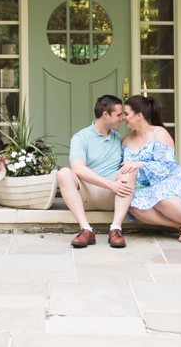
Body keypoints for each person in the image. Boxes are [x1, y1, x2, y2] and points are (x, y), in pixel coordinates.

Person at [121, 95, 181, 245]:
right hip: (145, 187)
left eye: (126, 113)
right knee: (133, 206)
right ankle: (180, 226)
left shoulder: (159, 133)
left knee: (162, 199)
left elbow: (166, 167)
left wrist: (140, 164)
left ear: (139, 115)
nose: (123, 117)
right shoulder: (126, 140)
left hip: (170, 179)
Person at [57, 94, 137, 248]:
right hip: (86, 195)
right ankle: (86, 230)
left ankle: (115, 229)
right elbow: (78, 168)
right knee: (63, 173)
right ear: (105, 114)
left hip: (112, 196)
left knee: (130, 170)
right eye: (119, 115)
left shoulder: (119, 138)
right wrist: (110, 184)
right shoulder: (81, 137)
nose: (122, 119)